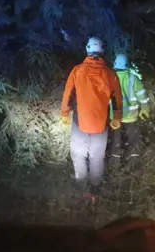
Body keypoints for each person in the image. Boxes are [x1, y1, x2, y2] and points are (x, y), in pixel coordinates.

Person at [61, 36, 123, 201]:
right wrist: (117, 117)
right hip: (100, 124)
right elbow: (117, 97)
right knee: (97, 157)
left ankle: (82, 188)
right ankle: (95, 189)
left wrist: (65, 113)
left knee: (79, 155)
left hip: (80, 123)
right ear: (102, 51)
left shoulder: (77, 70)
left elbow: (68, 93)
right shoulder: (110, 74)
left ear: (87, 50)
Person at [109, 53, 150, 166]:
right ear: (127, 65)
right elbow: (142, 96)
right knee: (133, 140)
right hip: (131, 116)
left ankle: (115, 165)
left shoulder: (110, 78)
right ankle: (133, 164)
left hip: (115, 118)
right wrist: (145, 109)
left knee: (116, 141)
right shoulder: (133, 78)